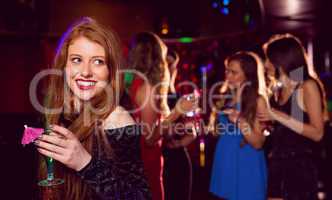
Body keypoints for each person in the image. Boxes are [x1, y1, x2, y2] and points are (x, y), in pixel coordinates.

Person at [34, 17, 151, 200]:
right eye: (76, 59)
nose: (86, 71)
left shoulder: (117, 120)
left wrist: (84, 163)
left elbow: (139, 197)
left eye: (98, 62)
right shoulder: (61, 112)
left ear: (110, 70)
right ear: (64, 66)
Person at [125, 32, 198, 200]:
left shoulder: (131, 82)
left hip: (134, 161)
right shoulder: (147, 88)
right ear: (157, 57)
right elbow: (150, 138)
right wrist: (177, 112)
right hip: (147, 161)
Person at [261, 34, 328, 200]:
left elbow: (317, 133)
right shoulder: (278, 89)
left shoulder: (307, 86)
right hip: (276, 165)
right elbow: (290, 129)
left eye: (268, 59)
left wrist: (278, 116)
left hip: (299, 168)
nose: (265, 64)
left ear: (281, 60)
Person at [210, 51, 268, 200]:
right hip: (225, 161)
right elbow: (219, 133)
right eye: (227, 71)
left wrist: (240, 121)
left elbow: (258, 142)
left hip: (246, 164)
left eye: (234, 72)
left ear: (248, 75)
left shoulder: (258, 101)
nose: (228, 76)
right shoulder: (226, 99)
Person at [162, 50, 196, 200]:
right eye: (167, 63)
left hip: (176, 159)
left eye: (173, 65)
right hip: (156, 159)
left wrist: (180, 142)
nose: (170, 68)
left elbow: (192, 131)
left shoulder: (178, 97)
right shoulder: (148, 95)